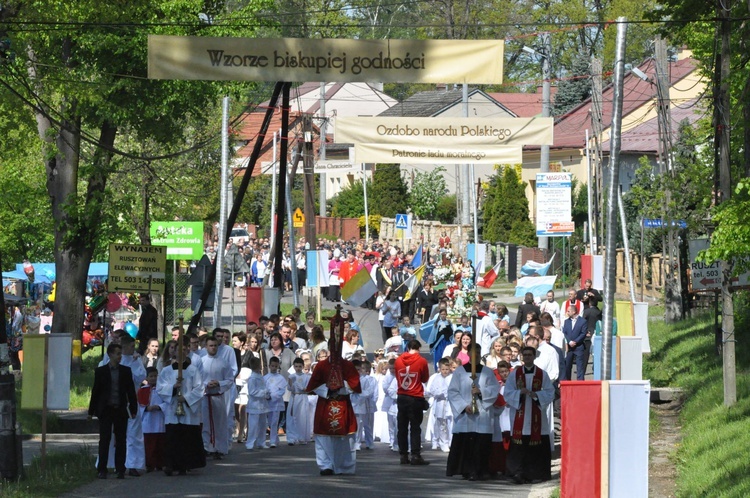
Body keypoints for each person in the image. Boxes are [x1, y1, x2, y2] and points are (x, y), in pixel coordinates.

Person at [305, 310, 362, 476]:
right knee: (324, 438)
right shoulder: (322, 366)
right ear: (329, 347)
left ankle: (344, 466)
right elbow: (312, 386)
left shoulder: (348, 365)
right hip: (326, 404)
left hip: (342, 403)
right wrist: (328, 390)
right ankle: (326, 465)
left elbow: (356, 385)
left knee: (345, 439)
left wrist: (341, 387)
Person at [445, 342, 500, 481]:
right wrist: (464, 406)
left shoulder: (487, 372)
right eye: (473, 352)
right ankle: (466, 470)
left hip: (482, 413)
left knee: (481, 444)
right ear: (468, 353)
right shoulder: (459, 371)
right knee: (467, 444)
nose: (476, 355)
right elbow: (452, 391)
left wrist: (481, 392)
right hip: (466, 415)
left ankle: (481, 470)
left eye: (478, 352)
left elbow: (494, 389)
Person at [504, 346, 555, 484]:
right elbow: (507, 392)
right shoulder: (515, 374)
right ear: (521, 356)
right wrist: (519, 393)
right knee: (519, 447)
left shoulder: (542, 374)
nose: (527, 357)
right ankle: (517, 473)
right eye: (525, 355)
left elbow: (550, 392)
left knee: (536, 446)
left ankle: (536, 474)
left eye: (529, 355)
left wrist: (536, 395)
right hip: (520, 414)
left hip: (536, 416)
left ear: (534, 356)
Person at [98, 334, 147, 477]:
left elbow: (141, 377)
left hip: (130, 402)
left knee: (133, 435)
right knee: (110, 437)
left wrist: (135, 362)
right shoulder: (109, 361)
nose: (134, 349)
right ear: (124, 347)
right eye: (131, 346)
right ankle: (108, 464)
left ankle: (133, 464)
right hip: (113, 402)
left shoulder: (135, 360)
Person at [156, 339, 206, 476]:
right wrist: (172, 388)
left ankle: (184, 465)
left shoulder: (193, 370)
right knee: (173, 438)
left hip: (188, 409)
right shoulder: (166, 371)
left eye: (184, 349)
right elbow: (160, 388)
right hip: (173, 408)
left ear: (187, 351)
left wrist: (186, 398)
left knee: (186, 437)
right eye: (179, 349)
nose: (182, 352)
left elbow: (199, 389)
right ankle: (170, 465)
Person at [89, 343, 138, 480]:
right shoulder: (101, 371)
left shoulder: (125, 371)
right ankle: (102, 469)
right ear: (110, 355)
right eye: (117, 354)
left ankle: (120, 469)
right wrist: (91, 411)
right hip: (106, 410)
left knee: (121, 439)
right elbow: (96, 391)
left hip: (120, 409)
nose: (119, 357)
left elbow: (131, 391)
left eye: (120, 354)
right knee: (105, 439)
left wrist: (133, 408)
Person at [395, 339, 430, 465]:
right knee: (415, 427)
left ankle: (403, 455)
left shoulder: (398, 360)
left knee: (402, 427)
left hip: (402, 395)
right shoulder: (421, 361)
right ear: (418, 348)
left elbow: (397, 376)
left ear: (407, 348)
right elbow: (425, 378)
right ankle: (415, 455)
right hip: (415, 396)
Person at [199, 336, 234, 459]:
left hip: (218, 396)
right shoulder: (201, 362)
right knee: (206, 423)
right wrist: (205, 385)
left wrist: (219, 383)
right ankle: (207, 447)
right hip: (205, 396)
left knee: (219, 423)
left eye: (215, 345)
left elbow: (230, 380)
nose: (213, 348)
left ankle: (219, 448)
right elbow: (197, 381)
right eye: (210, 345)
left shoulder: (224, 362)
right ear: (206, 347)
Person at [138, 367, 167, 473]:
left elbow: (167, 402)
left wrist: (159, 407)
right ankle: (149, 464)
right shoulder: (142, 390)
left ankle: (160, 463)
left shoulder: (162, 389)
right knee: (149, 444)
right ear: (147, 378)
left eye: (155, 376)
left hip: (159, 420)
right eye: (151, 376)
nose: (154, 378)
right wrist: (146, 408)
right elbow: (139, 405)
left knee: (160, 443)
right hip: (148, 421)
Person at [425, 357, 453, 452]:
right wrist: (441, 393)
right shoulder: (436, 378)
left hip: (450, 403)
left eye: (447, 369)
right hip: (440, 403)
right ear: (439, 369)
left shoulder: (452, 377)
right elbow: (433, 390)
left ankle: (450, 441)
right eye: (443, 369)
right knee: (441, 423)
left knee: (450, 423)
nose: (445, 371)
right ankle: (443, 442)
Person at [242, 356, 270, 451]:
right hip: (254, 404)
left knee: (263, 424)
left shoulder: (260, 376)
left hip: (262, 404)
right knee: (253, 425)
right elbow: (252, 392)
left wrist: (266, 393)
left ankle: (261, 442)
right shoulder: (252, 378)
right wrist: (264, 393)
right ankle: (250, 443)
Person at [351, 359, 378, 451]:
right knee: (355, 425)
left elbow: (369, 392)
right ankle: (355, 442)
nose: (357, 371)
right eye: (355, 369)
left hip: (362, 404)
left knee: (365, 425)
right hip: (351, 404)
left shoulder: (366, 379)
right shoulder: (348, 379)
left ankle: (367, 442)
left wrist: (358, 393)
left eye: (359, 369)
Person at [286, 357, 312, 446]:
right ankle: (291, 438)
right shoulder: (291, 376)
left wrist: (303, 389)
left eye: (300, 366)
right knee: (292, 417)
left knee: (302, 417)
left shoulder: (306, 377)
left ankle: (302, 437)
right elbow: (289, 388)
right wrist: (291, 383)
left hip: (302, 397)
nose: (298, 368)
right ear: (293, 366)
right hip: (294, 397)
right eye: (296, 366)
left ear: (303, 366)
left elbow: (308, 389)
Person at [264, 356, 287, 448]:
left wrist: (274, 396)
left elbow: (282, 390)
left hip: (276, 402)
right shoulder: (265, 377)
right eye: (272, 366)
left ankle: (272, 441)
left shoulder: (281, 378)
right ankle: (275, 438)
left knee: (274, 421)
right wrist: (266, 395)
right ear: (269, 366)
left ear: (278, 366)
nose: (274, 368)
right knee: (269, 422)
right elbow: (264, 388)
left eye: (275, 366)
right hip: (268, 402)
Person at [563, 304, 588, 381]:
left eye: (568, 311)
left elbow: (583, 333)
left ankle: (580, 384)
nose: (567, 312)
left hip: (579, 347)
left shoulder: (583, 321)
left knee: (580, 367)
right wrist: (569, 341)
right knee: (567, 366)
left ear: (574, 312)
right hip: (569, 348)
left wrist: (575, 341)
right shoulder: (566, 321)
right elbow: (564, 333)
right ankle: (567, 383)